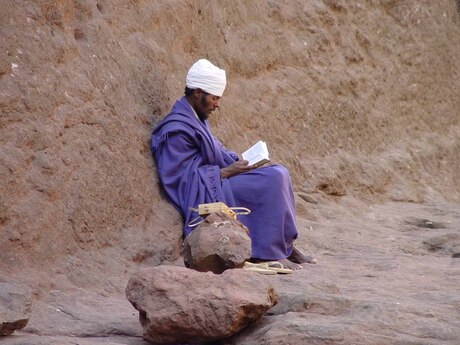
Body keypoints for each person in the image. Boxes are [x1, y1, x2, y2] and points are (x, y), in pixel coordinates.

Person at [151, 59, 315, 270]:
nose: (217, 105)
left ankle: (285, 246)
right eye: (214, 98)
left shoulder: (195, 118)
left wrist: (240, 161)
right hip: (204, 190)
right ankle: (268, 252)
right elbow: (178, 179)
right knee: (272, 181)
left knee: (278, 172)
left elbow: (214, 150)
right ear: (198, 93)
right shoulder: (176, 127)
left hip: (216, 179)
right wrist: (226, 171)